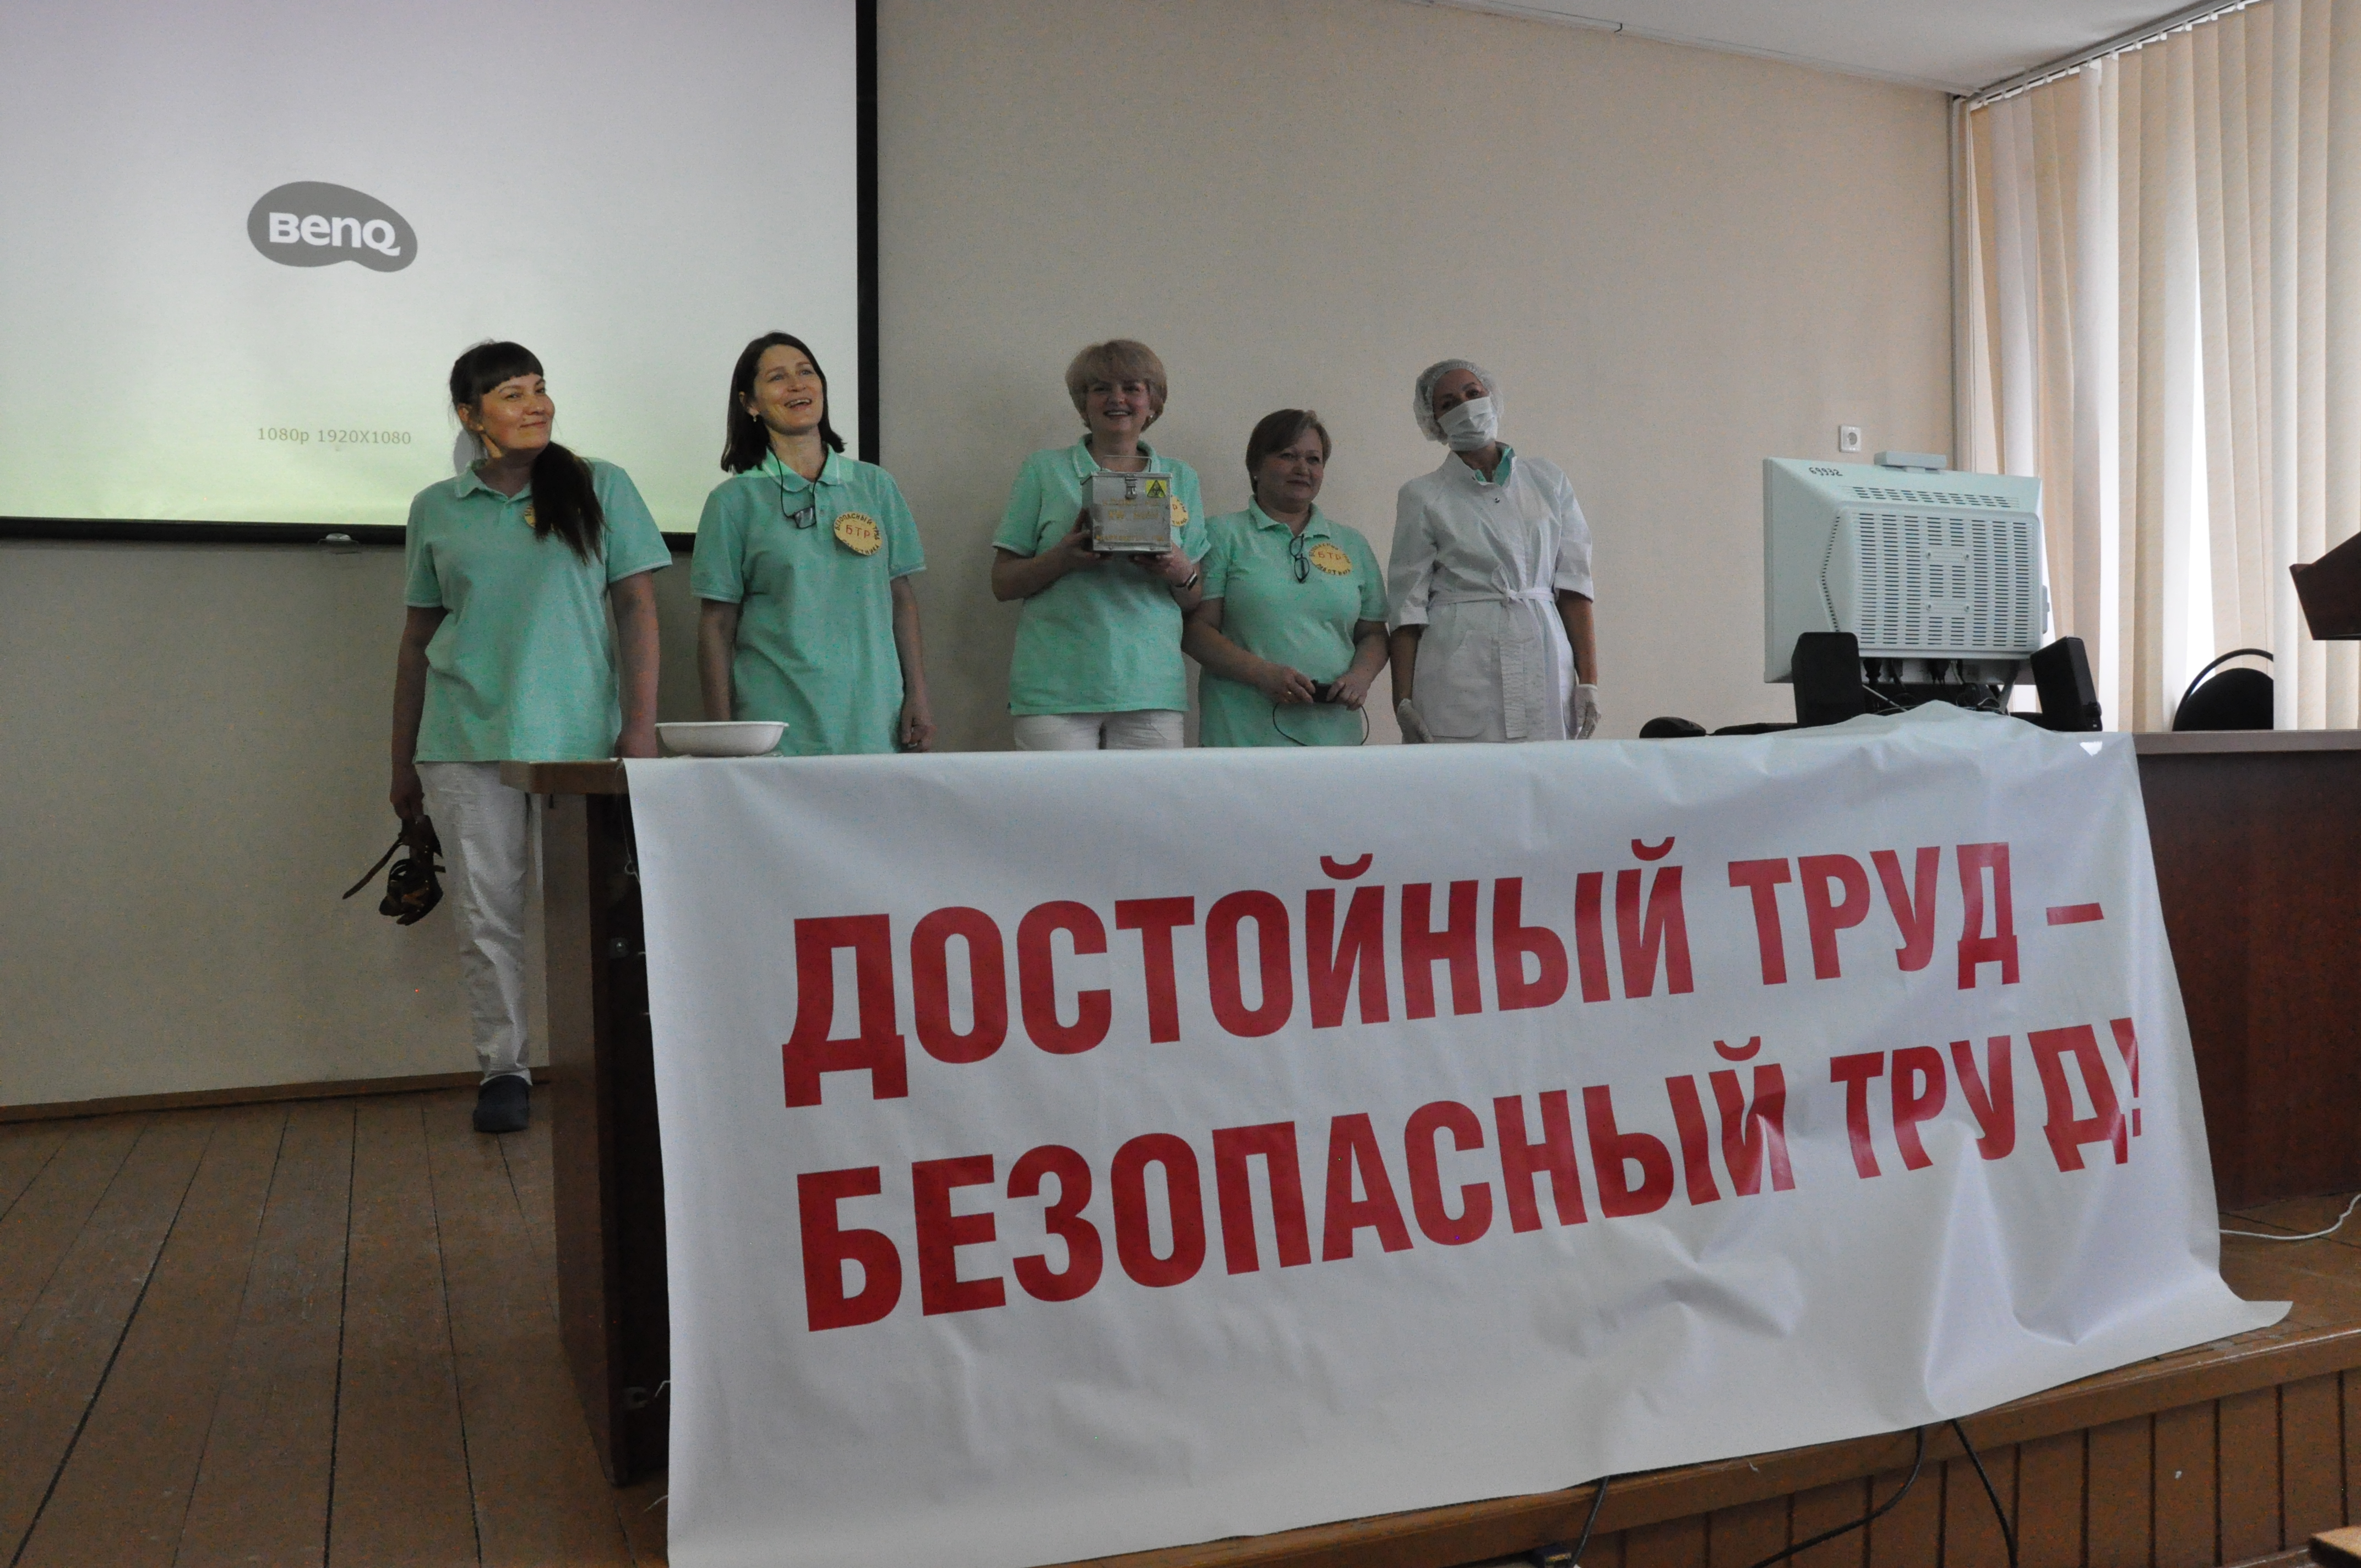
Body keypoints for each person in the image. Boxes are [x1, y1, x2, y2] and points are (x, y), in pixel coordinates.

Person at [390, 341, 668, 1135]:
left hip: (577, 741)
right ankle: (504, 1069)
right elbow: (417, 640)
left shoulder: (601, 485)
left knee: (595, 916)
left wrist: (640, 727)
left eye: (540, 388)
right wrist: (401, 759)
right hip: (462, 738)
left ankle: (607, 1060)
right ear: (471, 415)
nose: (535, 404)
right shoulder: (437, 507)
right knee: (487, 914)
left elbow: (638, 608)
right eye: (512, 393)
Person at [691, 332, 932, 753]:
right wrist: (722, 730)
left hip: (874, 715)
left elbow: (901, 599)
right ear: (750, 403)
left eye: (806, 372)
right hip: (776, 722)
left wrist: (918, 694)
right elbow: (717, 625)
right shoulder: (732, 502)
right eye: (778, 378)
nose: (797, 385)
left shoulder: (875, 486)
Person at [990, 339, 1207, 750]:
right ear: (1083, 404)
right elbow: (1002, 583)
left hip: (1150, 687)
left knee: (1151, 796)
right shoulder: (1043, 470)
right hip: (1056, 687)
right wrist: (1063, 559)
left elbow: (1194, 597)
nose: (1117, 399)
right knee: (1057, 796)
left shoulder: (1182, 477)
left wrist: (1178, 569)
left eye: (1132, 388)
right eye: (1101, 388)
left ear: (1153, 402)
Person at [1386, 359, 1599, 744]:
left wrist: (1589, 682)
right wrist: (1402, 701)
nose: (1466, 407)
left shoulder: (1548, 480)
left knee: (1545, 769)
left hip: (1543, 649)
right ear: (1435, 423)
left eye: (1473, 393)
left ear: (1492, 397)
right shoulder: (1423, 496)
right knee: (1463, 771)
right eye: (1449, 403)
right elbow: (1407, 607)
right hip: (1457, 661)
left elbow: (1574, 585)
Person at [1184, 409, 1386, 746]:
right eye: (1288, 456)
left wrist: (1360, 678)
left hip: (1334, 737)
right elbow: (1196, 631)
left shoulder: (1352, 543)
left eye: (1314, 459)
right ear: (1255, 466)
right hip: (1241, 734)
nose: (1302, 468)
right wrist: (1262, 674)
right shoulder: (1222, 535)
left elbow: (1374, 634)